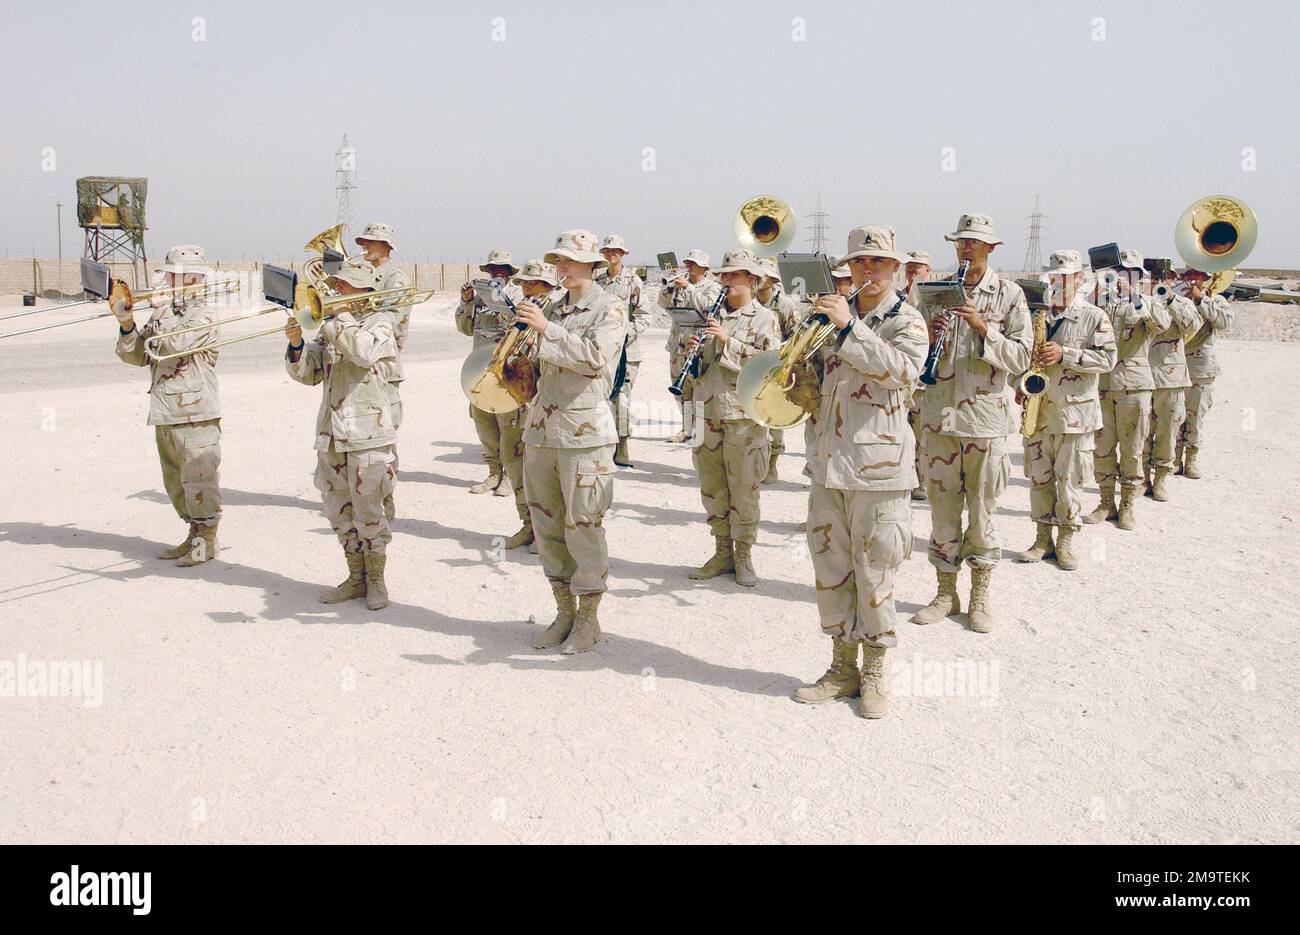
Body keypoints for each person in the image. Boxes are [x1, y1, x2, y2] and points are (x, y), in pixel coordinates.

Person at [793, 226, 928, 719]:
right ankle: (841, 666)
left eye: (877, 262)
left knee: (875, 575)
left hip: (880, 471)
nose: (867, 271)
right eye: (860, 262)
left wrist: (850, 328)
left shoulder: (907, 321)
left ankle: (873, 673)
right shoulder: (831, 318)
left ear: (895, 268)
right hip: (829, 465)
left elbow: (901, 371)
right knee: (831, 572)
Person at [912, 214, 1031, 633]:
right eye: (961, 242)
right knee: (942, 512)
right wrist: (929, 334)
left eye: (975, 243)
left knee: (982, 513)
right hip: (941, 420)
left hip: (984, 422)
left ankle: (980, 596)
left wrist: (984, 330)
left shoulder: (1010, 295)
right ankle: (946, 593)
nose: (966, 249)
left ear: (991, 249)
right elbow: (908, 353)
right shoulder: (935, 292)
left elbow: (1021, 359)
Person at [521, 231, 627, 654]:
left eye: (568, 261)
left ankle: (588, 619)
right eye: (557, 260)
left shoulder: (610, 307)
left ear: (591, 264)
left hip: (584, 435)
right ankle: (563, 610)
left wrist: (547, 331)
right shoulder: (552, 306)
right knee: (548, 526)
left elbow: (595, 359)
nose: (560, 268)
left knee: (583, 527)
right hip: (542, 432)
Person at [285, 258, 399, 610]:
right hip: (331, 433)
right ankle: (356, 577)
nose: (336, 292)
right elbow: (309, 374)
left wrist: (340, 316)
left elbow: (364, 353)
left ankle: (377, 581)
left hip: (368, 433)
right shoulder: (330, 324)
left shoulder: (381, 323)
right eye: (337, 287)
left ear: (365, 292)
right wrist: (297, 346)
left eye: (344, 287)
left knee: (369, 511)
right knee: (338, 509)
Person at [114, 244, 224, 567]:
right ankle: (193, 534)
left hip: (195, 413)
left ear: (191, 278)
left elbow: (175, 345)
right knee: (176, 481)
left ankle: (207, 540)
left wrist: (160, 311)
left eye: (171, 277)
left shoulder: (203, 315)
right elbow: (139, 355)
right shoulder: (167, 314)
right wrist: (126, 324)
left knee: (199, 480)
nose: (165, 282)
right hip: (166, 411)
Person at [681, 250, 780, 587]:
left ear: (752, 281)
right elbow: (699, 371)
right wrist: (692, 352)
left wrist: (727, 342)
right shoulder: (709, 315)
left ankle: (744, 555)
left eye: (734, 276)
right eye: (724, 276)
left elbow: (771, 367)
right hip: (704, 412)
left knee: (744, 489)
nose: (727, 282)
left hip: (743, 416)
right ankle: (722, 550)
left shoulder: (765, 318)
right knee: (712, 487)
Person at [1017, 250, 1116, 571]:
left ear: (1079, 280)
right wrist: (1021, 384)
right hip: (1039, 413)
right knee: (1039, 478)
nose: (1059, 283)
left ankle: (1066, 540)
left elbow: (1108, 360)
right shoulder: (1036, 316)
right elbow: (1020, 357)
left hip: (1075, 416)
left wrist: (1066, 354)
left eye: (1066, 277)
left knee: (1070, 481)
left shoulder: (1093, 317)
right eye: (1054, 277)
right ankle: (1042, 537)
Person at [1084, 250, 1169, 530]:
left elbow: (1162, 325)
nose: (1123, 278)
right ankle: (1106, 502)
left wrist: (1135, 296)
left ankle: (1128, 504)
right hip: (1104, 384)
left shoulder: (1147, 302)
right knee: (1103, 446)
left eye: (1129, 273)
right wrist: (1098, 290)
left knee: (1132, 448)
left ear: (1139, 276)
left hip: (1134, 384)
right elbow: (1083, 323)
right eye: (1120, 272)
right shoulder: (1103, 301)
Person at [500, 259, 563, 552]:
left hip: (542, 402)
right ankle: (527, 524)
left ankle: (547, 532)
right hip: (515, 397)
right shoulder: (523, 309)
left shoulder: (557, 311)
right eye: (523, 283)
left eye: (532, 283)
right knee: (514, 462)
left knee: (542, 472)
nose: (526, 288)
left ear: (549, 285)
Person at [455, 248, 522, 495]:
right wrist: (466, 301)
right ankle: (494, 473)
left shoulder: (519, 295)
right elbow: (465, 328)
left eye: (502, 270)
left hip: (507, 371)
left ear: (509, 273)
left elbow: (522, 330)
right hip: (481, 369)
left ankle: (510, 477)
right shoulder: (481, 297)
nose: (497, 273)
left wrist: (504, 305)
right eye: (493, 269)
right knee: (485, 425)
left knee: (509, 427)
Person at [356, 221, 411, 521]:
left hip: (385, 366)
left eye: (371, 243)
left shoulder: (396, 278)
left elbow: (389, 319)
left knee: (383, 438)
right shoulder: (361, 274)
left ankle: (386, 497)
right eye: (364, 242)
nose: (364, 247)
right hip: (359, 366)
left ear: (386, 246)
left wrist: (357, 304)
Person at [1144, 262, 1202, 502]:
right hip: (1142, 376)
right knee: (1141, 433)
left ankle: (1161, 479)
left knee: (1168, 432)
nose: (1160, 282)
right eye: (1155, 278)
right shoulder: (1140, 301)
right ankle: (1142, 478)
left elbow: (1193, 326)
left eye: (1165, 278)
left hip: (1170, 378)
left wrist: (1170, 300)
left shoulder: (1182, 303)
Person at [595, 234, 649, 468]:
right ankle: (605, 444)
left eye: (615, 250)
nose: (611, 254)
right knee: (602, 398)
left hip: (627, 352)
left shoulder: (633, 281)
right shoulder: (598, 283)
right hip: (604, 353)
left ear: (623, 254)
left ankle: (622, 447)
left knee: (622, 400)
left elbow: (644, 316)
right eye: (607, 250)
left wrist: (625, 334)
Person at [1178, 268, 1235, 479]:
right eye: (1189, 275)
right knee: (1175, 416)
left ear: (1206, 278)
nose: (1192, 280)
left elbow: (1225, 323)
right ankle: (1174, 458)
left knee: (1196, 416)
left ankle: (1191, 458)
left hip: (1201, 367)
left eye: (1198, 276)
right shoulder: (1179, 298)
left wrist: (1202, 300)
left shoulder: (1216, 300)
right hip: (1175, 366)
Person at [660, 249, 721, 443]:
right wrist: (668, 289)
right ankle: (686, 428)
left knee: (699, 388)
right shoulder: (679, 285)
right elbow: (662, 304)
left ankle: (700, 430)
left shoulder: (712, 287)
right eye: (688, 263)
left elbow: (708, 307)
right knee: (681, 388)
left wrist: (689, 288)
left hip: (698, 344)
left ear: (704, 267)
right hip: (678, 344)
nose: (689, 267)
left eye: (693, 263)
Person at [755, 257, 806, 484]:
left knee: (774, 418)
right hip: (753, 368)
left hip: (777, 368)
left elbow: (796, 337)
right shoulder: (749, 303)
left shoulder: (786, 305)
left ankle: (772, 466)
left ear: (773, 280)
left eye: (763, 276)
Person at [902, 249, 933, 500]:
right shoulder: (897, 299)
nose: (913, 273)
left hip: (923, 379)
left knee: (921, 434)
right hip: (903, 378)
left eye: (918, 268)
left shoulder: (933, 299)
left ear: (928, 271)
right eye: (909, 268)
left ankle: (920, 481)